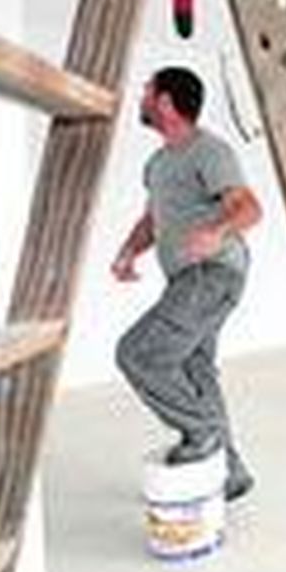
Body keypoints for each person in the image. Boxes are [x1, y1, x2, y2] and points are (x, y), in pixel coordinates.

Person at [113, 66, 262, 500]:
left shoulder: (209, 151)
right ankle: (230, 472)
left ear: (164, 102)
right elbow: (152, 218)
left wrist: (216, 232)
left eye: (146, 91)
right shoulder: (158, 162)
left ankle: (202, 434)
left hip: (213, 275)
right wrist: (128, 251)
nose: (140, 97)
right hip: (186, 280)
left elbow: (249, 208)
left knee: (138, 354)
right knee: (196, 371)